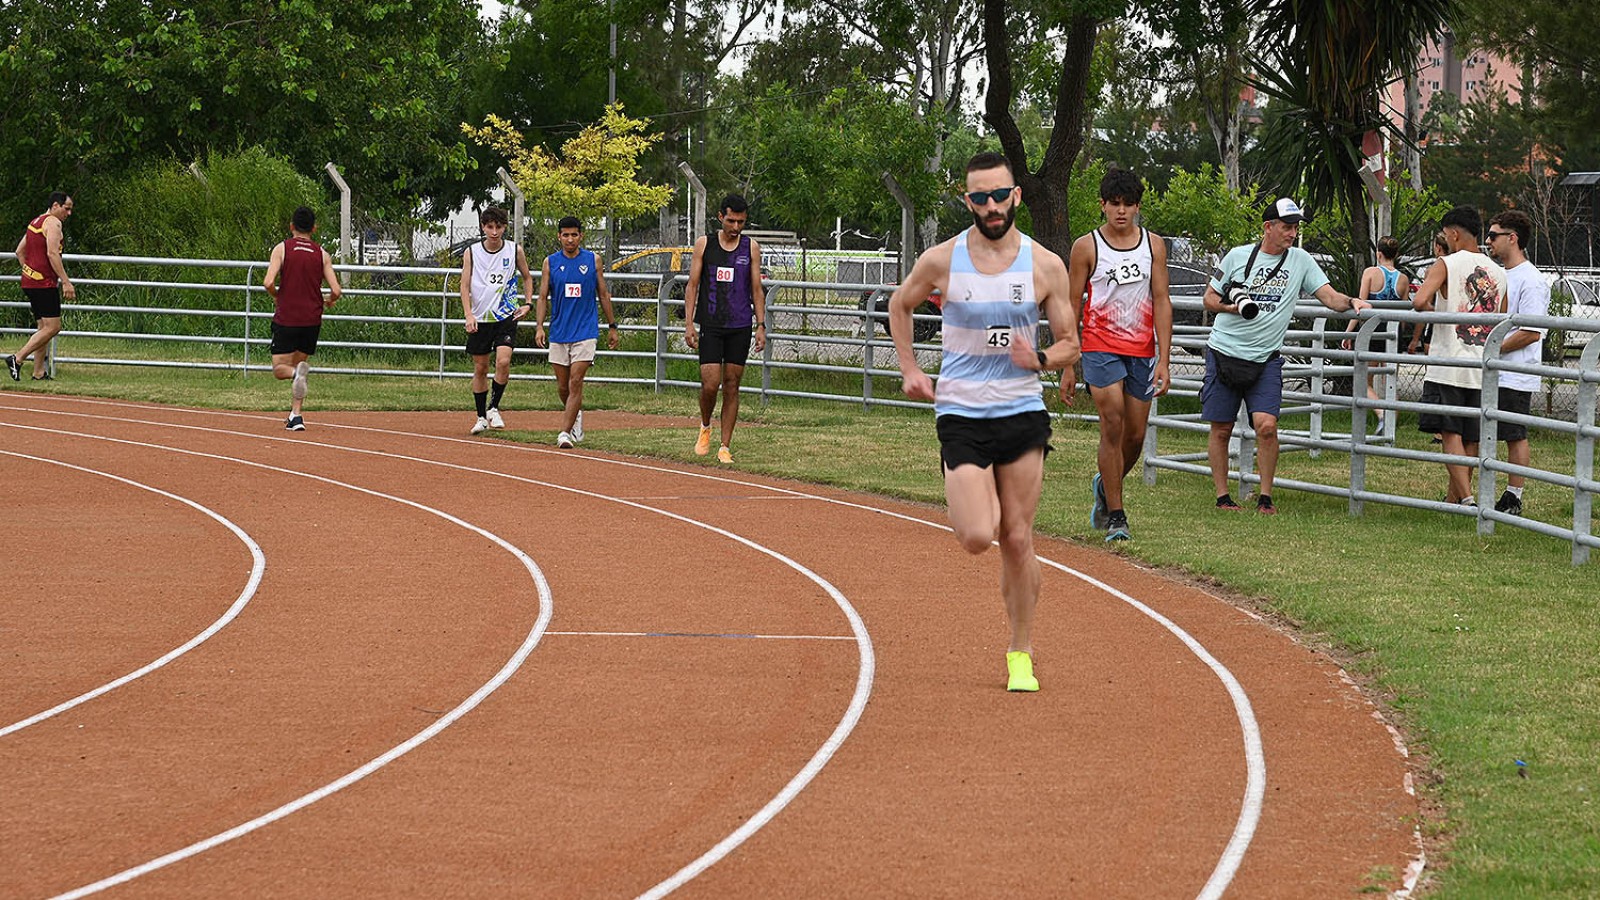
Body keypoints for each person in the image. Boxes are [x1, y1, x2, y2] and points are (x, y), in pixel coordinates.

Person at [889, 151, 1079, 693]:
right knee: (977, 535)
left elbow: (1071, 343)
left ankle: (1021, 651)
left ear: (1016, 196)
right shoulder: (942, 260)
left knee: (1017, 538)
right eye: (980, 198)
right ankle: (976, 493)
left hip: (1021, 408)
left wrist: (1039, 360)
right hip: (962, 410)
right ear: (966, 200)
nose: (991, 206)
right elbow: (899, 306)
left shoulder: (1045, 265)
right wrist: (909, 367)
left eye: (1000, 195)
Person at [1202, 198, 1368, 514]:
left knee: (1266, 426)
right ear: (1268, 227)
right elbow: (1209, 298)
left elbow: (1330, 298)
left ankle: (1265, 498)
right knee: (1221, 427)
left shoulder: (1301, 261)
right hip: (1224, 351)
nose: (1292, 233)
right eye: (1287, 227)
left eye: (1295, 227)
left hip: (1266, 358)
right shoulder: (1237, 256)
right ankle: (1223, 497)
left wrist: (1354, 302)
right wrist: (1232, 307)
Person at [1068, 167, 1172, 542]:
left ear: (1138, 207)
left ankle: (1105, 483)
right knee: (1111, 421)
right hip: (1100, 346)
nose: (1122, 211)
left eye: (1129, 204)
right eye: (1115, 204)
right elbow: (1070, 304)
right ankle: (1116, 514)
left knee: (1135, 435)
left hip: (1140, 350)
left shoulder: (1154, 245)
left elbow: (1161, 300)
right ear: (1103, 206)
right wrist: (1068, 362)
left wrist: (1163, 358)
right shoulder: (1086, 246)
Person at [1411, 206, 1507, 506]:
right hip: (1482, 362)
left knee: (1449, 430)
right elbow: (1501, 318)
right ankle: (1455, 499)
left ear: (1453, 233)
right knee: (1472, 436)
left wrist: (1443, 312)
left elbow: (1419, 301)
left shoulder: (1446, 263)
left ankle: (1466, 499)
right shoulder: (1499, 272)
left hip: (1449, 361)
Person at [683, 193, 768, 463]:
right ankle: (705, 424)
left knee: (732, 384)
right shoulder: (704, 244)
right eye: (731, 221)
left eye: (741, 222)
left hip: (740, 324)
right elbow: (693, 284)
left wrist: (761, 325)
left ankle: (725, 445)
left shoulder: (750, 247)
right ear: (721, 217)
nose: (736, 227)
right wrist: (688, 323)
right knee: (711, 384)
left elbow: (756, 288)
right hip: (711, 322)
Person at [534, 216, 619, 448]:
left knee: (576, 380)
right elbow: (542, 297)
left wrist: (612, 326)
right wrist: (539, 326)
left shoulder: (593, 260)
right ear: (559, 236)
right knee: (563, 387)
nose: (569, 239)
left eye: (574, 234)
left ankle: (564, 432)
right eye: (565, 235)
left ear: (581, 236)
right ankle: (576, 413)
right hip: (560, 331)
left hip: (586, 331)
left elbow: (603, 294)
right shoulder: (550, 262)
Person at [1485, 209, 1549, 516]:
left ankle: (1514, 495)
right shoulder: (1497, 275)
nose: (1489, 241)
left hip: (1515, 373)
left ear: (1513, 239)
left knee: (1514, 434)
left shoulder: (1531, 280)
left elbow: (1530, 332)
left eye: (1494, 235)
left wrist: (1492, 350)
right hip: (1493, 372)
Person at [261, 206, 342, 430]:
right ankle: (296, 415)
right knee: (300, 365)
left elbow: (268, 282)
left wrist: (278, 295)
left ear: (291, 226)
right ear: (314, 228)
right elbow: (336, 289)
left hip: (288, 315)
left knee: (280, 369)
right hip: (312, 319)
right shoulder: (322, 254)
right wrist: (328, 299)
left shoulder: (282, 249)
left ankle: (297, 375)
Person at [459, 206, 533, 435]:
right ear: (483, 227)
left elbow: (528, 277)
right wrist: (468, 314)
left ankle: (494, 407)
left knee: (503, 361)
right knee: (480, 367)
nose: (494, 232)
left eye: (498, 227)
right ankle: (481, 416)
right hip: (481, 317)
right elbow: (464, 284)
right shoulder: (471, 252)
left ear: (504, 228)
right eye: (489, 227)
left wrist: (528, 303)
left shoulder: (514, 250)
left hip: (506, 315)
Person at [1343, 236, 1411, 428]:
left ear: (1378, 253)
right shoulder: (1404, 279)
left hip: (1373, 330)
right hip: (1394, 330)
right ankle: (1391, 425)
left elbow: (1360, 304)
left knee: (1363, 379)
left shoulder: (1371, 273)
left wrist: (1349, 333)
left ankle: (1381, 415)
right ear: (1396, 254)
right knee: (1391, 379)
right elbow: (1404, 314)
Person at [7, 192, 75, 382]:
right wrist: (66, 282)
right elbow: (53, 253)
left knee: (42, 327)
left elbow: (19, 251)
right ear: (55, 205)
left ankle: (38, 372)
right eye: (66, 208)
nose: (68, 213)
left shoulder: (35, 222)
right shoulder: (53, 223)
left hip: (31, 282)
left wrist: (29, 272)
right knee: (53, 327)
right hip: (44, 283)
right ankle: (17, 358)